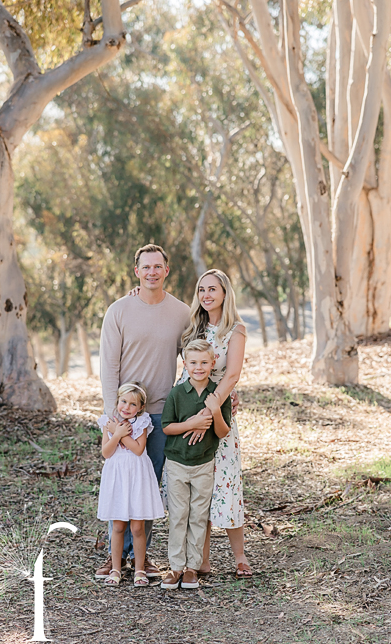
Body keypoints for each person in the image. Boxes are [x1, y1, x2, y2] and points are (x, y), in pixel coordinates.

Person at [96, 244, 191, 579]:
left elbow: (196, 359)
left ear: (167, 270)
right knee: (120, 482)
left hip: (160, 415)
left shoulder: (182, 313)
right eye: (145, 267)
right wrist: (113, 416)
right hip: (124, 415)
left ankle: (141, 556)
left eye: (158, 267)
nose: (152, 272)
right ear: (136, 271)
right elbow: (109, 365)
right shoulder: (118, 311)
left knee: (147, 485)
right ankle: (114, 557)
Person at [177, 269, 250, 578]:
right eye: (201, 289)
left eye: (212, 289)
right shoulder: (193, 328)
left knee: (227, 481)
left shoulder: (235, 329)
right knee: (199, 486)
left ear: (224, 293)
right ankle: (201, 559)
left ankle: (240, 556)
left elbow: (232, 374)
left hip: (217, 412)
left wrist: (212, 406)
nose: (206, 295)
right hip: (190, 413)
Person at [160, 339, 231, 590]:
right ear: (185, 364)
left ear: (213, 364)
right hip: (177, 463)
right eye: (193, 362)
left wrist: (215, 411)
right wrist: (192, 424)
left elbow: (223, 432)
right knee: (179, 516)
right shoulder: (177, 393)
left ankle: (192, 568)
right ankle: (175, 567)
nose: (198, 367)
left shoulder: (218, 395)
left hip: (203, 464)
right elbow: (167, 427)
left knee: (199, 517)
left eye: (204, 362)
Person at [96, 382, 165, 587]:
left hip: (137, 476)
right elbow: (107, 453)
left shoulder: (142, 422)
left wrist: (121, 434)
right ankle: (116, 568)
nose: (126, 407)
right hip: (117, 476)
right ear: (117, 401)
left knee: (137, 527)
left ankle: (140, 569)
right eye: (123, 401)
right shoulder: (108, 422)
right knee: (117, 525)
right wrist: (114, 433)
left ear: (141, 408)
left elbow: (137, 449)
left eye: (132, 404)